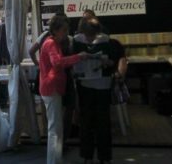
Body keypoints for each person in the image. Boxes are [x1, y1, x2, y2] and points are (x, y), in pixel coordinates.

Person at [73, 17, 125, 164]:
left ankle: (104, 157)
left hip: (102, 84)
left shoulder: (108, 42)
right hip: (86, 84)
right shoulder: (77, 41)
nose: (90, 39)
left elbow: (116, 62)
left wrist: (106, 63)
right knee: (86, 122)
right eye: (88, 36)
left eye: (93, 35)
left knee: (102, 122)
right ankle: (88, 156)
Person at [39, 14, 88, 164]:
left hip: (52, 87)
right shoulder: (51, 44)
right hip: (51, 87)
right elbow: (57, 63)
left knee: (56, 128)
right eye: (64, 29)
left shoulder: (51, 43)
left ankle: (55, 159)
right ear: (56, 29)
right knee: (55, 129)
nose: (66, 33)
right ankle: (53, 161)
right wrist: (78, 57)